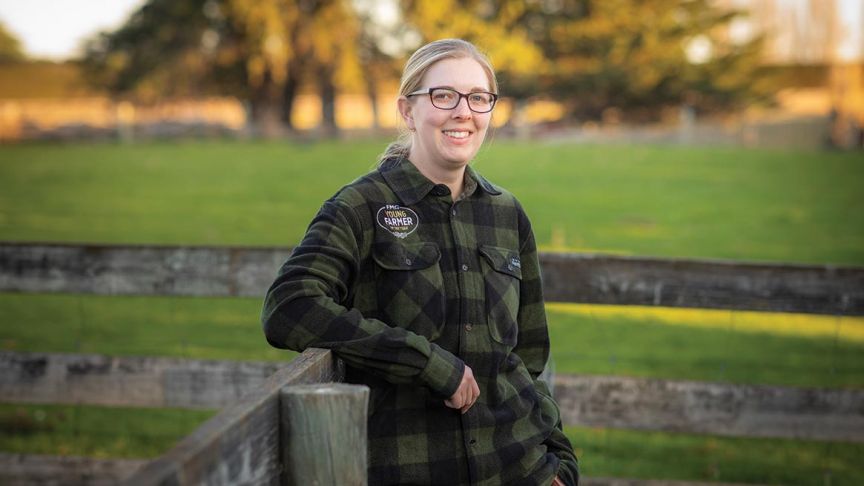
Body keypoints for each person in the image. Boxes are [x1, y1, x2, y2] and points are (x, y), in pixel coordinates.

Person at [261, 38, 579, 485]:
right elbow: (289, 306)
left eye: (478, 98)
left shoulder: (506, 213)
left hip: (517, 469)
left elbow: (528, 360)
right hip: (411, 469)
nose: (463, 112)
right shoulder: (361, 206)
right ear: (408, 111)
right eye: (443, 95)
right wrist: (426, 363)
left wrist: (559, 463)